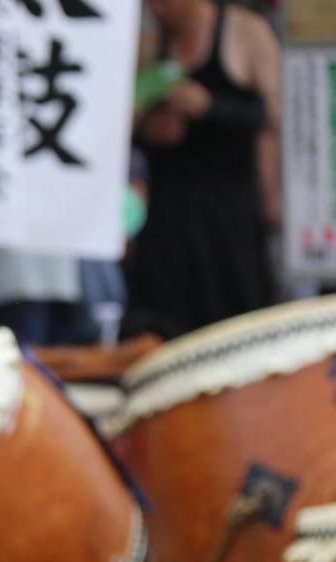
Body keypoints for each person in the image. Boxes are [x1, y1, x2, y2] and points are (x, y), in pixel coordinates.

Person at [126, 0, 280, 337]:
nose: (157, 9)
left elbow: (273, 118)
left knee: (234, 324)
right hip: (168, 213)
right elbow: (121, 125)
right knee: (160, 326)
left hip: (230, 211)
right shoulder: (151, 47)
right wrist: (149, 130)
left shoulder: (246, 32)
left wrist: (209, 107)